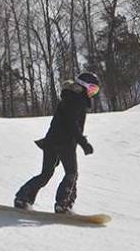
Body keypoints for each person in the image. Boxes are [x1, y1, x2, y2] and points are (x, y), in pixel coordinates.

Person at [14, 72, 100, 214]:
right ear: (83, 86)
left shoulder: (69, 97)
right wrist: (83, 143)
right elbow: (72, 124)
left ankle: (23, 198)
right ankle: (63, 204)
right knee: (71, 174)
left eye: (95, 91)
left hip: (51, 141)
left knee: (46, 174)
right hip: (65, 143)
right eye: (91, 89)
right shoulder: (78, 100)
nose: (92, 94)